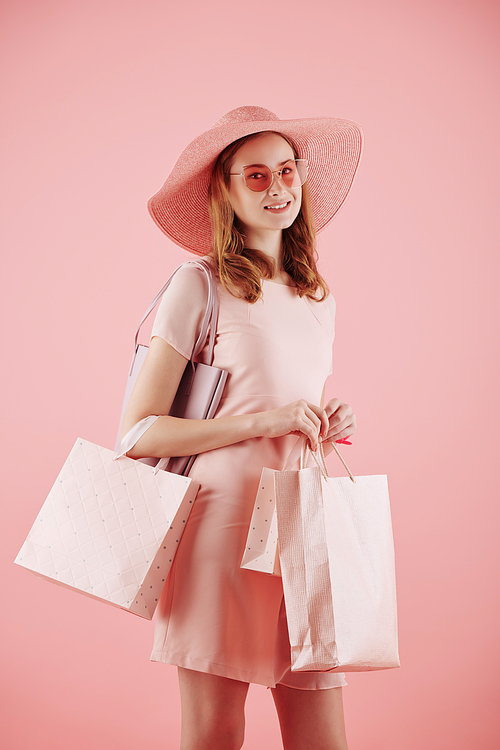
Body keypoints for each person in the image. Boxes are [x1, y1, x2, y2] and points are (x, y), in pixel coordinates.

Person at [120, 106, 363, 750]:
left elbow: (291, 395)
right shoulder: (198, 284)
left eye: (287, 171)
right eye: (255, 176)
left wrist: (327, 417)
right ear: (223, 189)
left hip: (301, 523)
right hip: (220, 525)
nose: (278, 188)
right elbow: (139, 433)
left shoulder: (318, 295)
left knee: (323, 738)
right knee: (215, 734)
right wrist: (268, 420)